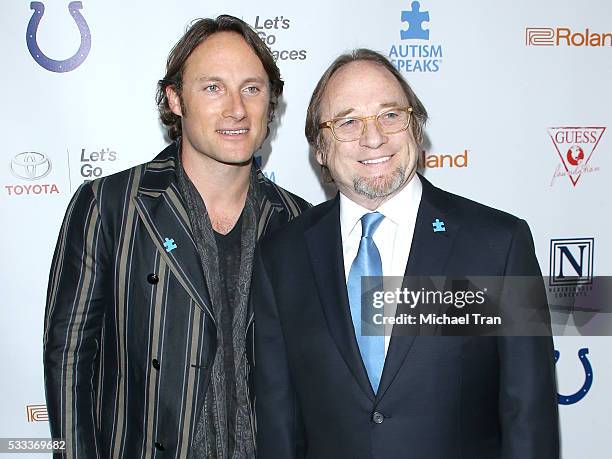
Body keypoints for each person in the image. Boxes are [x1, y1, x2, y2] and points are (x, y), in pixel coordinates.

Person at [252, 49, 559, 458]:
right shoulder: (281, 258)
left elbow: (530, 418)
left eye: (390, 114)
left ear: (415, 127)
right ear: (320, 150)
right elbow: (277, 425)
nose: (374, 136)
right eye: (347, 122)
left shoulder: (498, 246)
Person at [43, 15, 309, 458]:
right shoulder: (110, 205)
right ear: (175, 100)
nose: (236, 109)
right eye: (212, 87)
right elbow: (68, 362)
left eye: (252, 88)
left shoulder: (298, 219)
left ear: (271, 101)